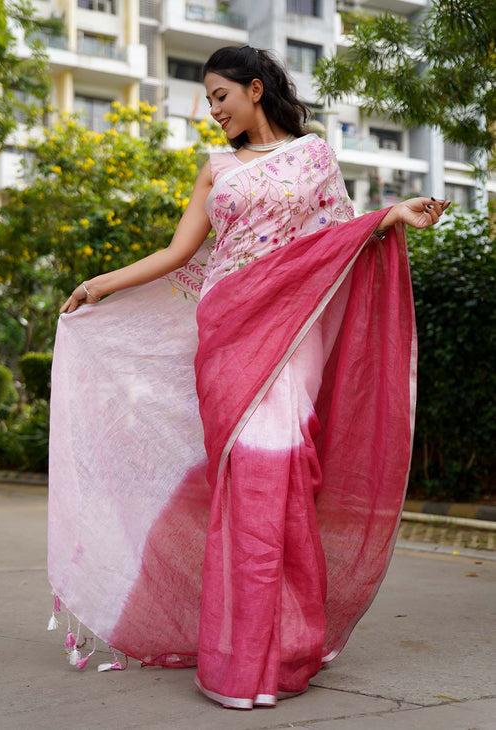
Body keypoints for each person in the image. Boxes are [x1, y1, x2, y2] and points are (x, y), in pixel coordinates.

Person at [47, 45, 450, 710]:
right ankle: (246, 650)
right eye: (207, 100)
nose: (213, 111)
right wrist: (100, 284)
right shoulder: (216, 170)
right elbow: (180, 253)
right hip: (228, 331)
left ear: (255, 89)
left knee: (274, 471)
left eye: (220, 96)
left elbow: (336, 240)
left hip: (290, 331)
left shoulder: (313, 157)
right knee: (246, 481)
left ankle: (275, 650)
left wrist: (389, 217)